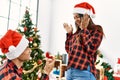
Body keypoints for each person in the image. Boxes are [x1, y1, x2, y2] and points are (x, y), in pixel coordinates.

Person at [63, 2, 104, 80]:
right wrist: (69, 34)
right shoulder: (77, 33)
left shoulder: (97, 30)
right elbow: (68, 50)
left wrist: (84, 30)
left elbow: (91, 49)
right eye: (74, 17)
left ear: (85, 17)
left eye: (77, 17)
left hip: (83, 72)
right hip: (69, 72)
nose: (75, 20)